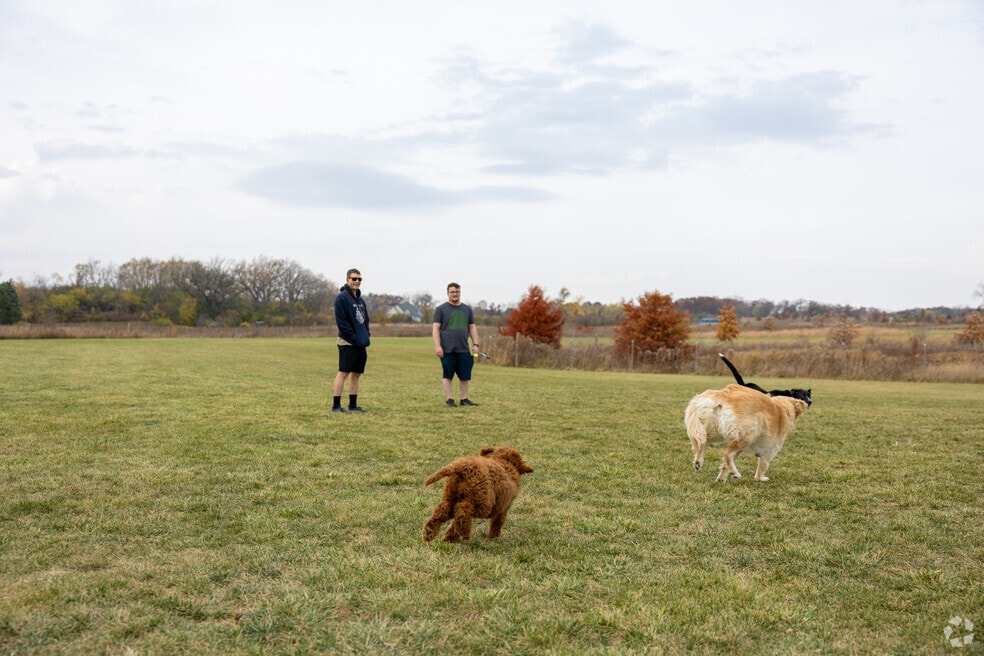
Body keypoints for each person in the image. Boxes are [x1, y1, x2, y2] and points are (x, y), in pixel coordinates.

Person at [432, 282, 480, 407]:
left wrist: (476, 344)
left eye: (457, 292)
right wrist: (437, 346)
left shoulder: (467, 309)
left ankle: (464, 399)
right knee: (448, 374)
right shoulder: (440, 309)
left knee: (465, 375)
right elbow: (435, 328)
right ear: (447, 293)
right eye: (452, 292)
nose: (455, 294)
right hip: (447, 349)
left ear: (460, 293)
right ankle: (450, 400)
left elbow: (472, 327)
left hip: (463, 348)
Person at [332, 268, 370, 413]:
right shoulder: (341, 298)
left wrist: (366, 335)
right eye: (354, 279)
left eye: (359, 279)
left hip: (360, 343)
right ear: (347, 280)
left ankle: (353, 405)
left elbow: (366, 320)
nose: (357, 282)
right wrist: (354, 338)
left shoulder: (360, 300)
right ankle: (336, 405)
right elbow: (342, 323)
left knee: (356, 374)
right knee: (343, 372)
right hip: (347, 342)